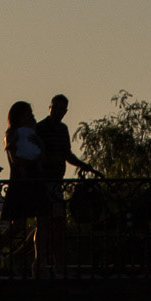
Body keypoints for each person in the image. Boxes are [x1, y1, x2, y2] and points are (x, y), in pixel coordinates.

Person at [35, 94, 100, 277]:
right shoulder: (40, 128)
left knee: (57, 225)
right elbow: (37, 155)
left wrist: (83, 165)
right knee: (44, 225)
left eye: (60, 109)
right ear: (50, 108)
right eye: (54, 108)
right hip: (43, 181)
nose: (57, 112)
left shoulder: (62, 130)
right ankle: (41, 263)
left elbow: (66, 154)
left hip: (57, 183)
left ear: (65, 112)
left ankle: (58, 264)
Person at [0, 100, 48, 275]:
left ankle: (38, 262)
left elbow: (41, 157)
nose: (32, 117)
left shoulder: (32, 135)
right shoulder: (12, 134)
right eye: (29, 114)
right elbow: (15, 159)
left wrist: (40, 146)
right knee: (18, 225)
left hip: (35, 181)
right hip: (21, 182)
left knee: (42, 222)